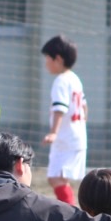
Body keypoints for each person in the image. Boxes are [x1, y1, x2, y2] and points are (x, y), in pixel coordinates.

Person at [41, 34, 87, 205]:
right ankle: (70, 209)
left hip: (66, 139)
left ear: (58, 59)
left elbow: (60, 109)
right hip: (75, 136)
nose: (46, 62)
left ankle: (71, 211)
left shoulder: (60, 81)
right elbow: (84, 106)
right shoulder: (75, 79)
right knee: (58, 178)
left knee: (55, 177)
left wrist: (53, 132)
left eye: (48, 57)